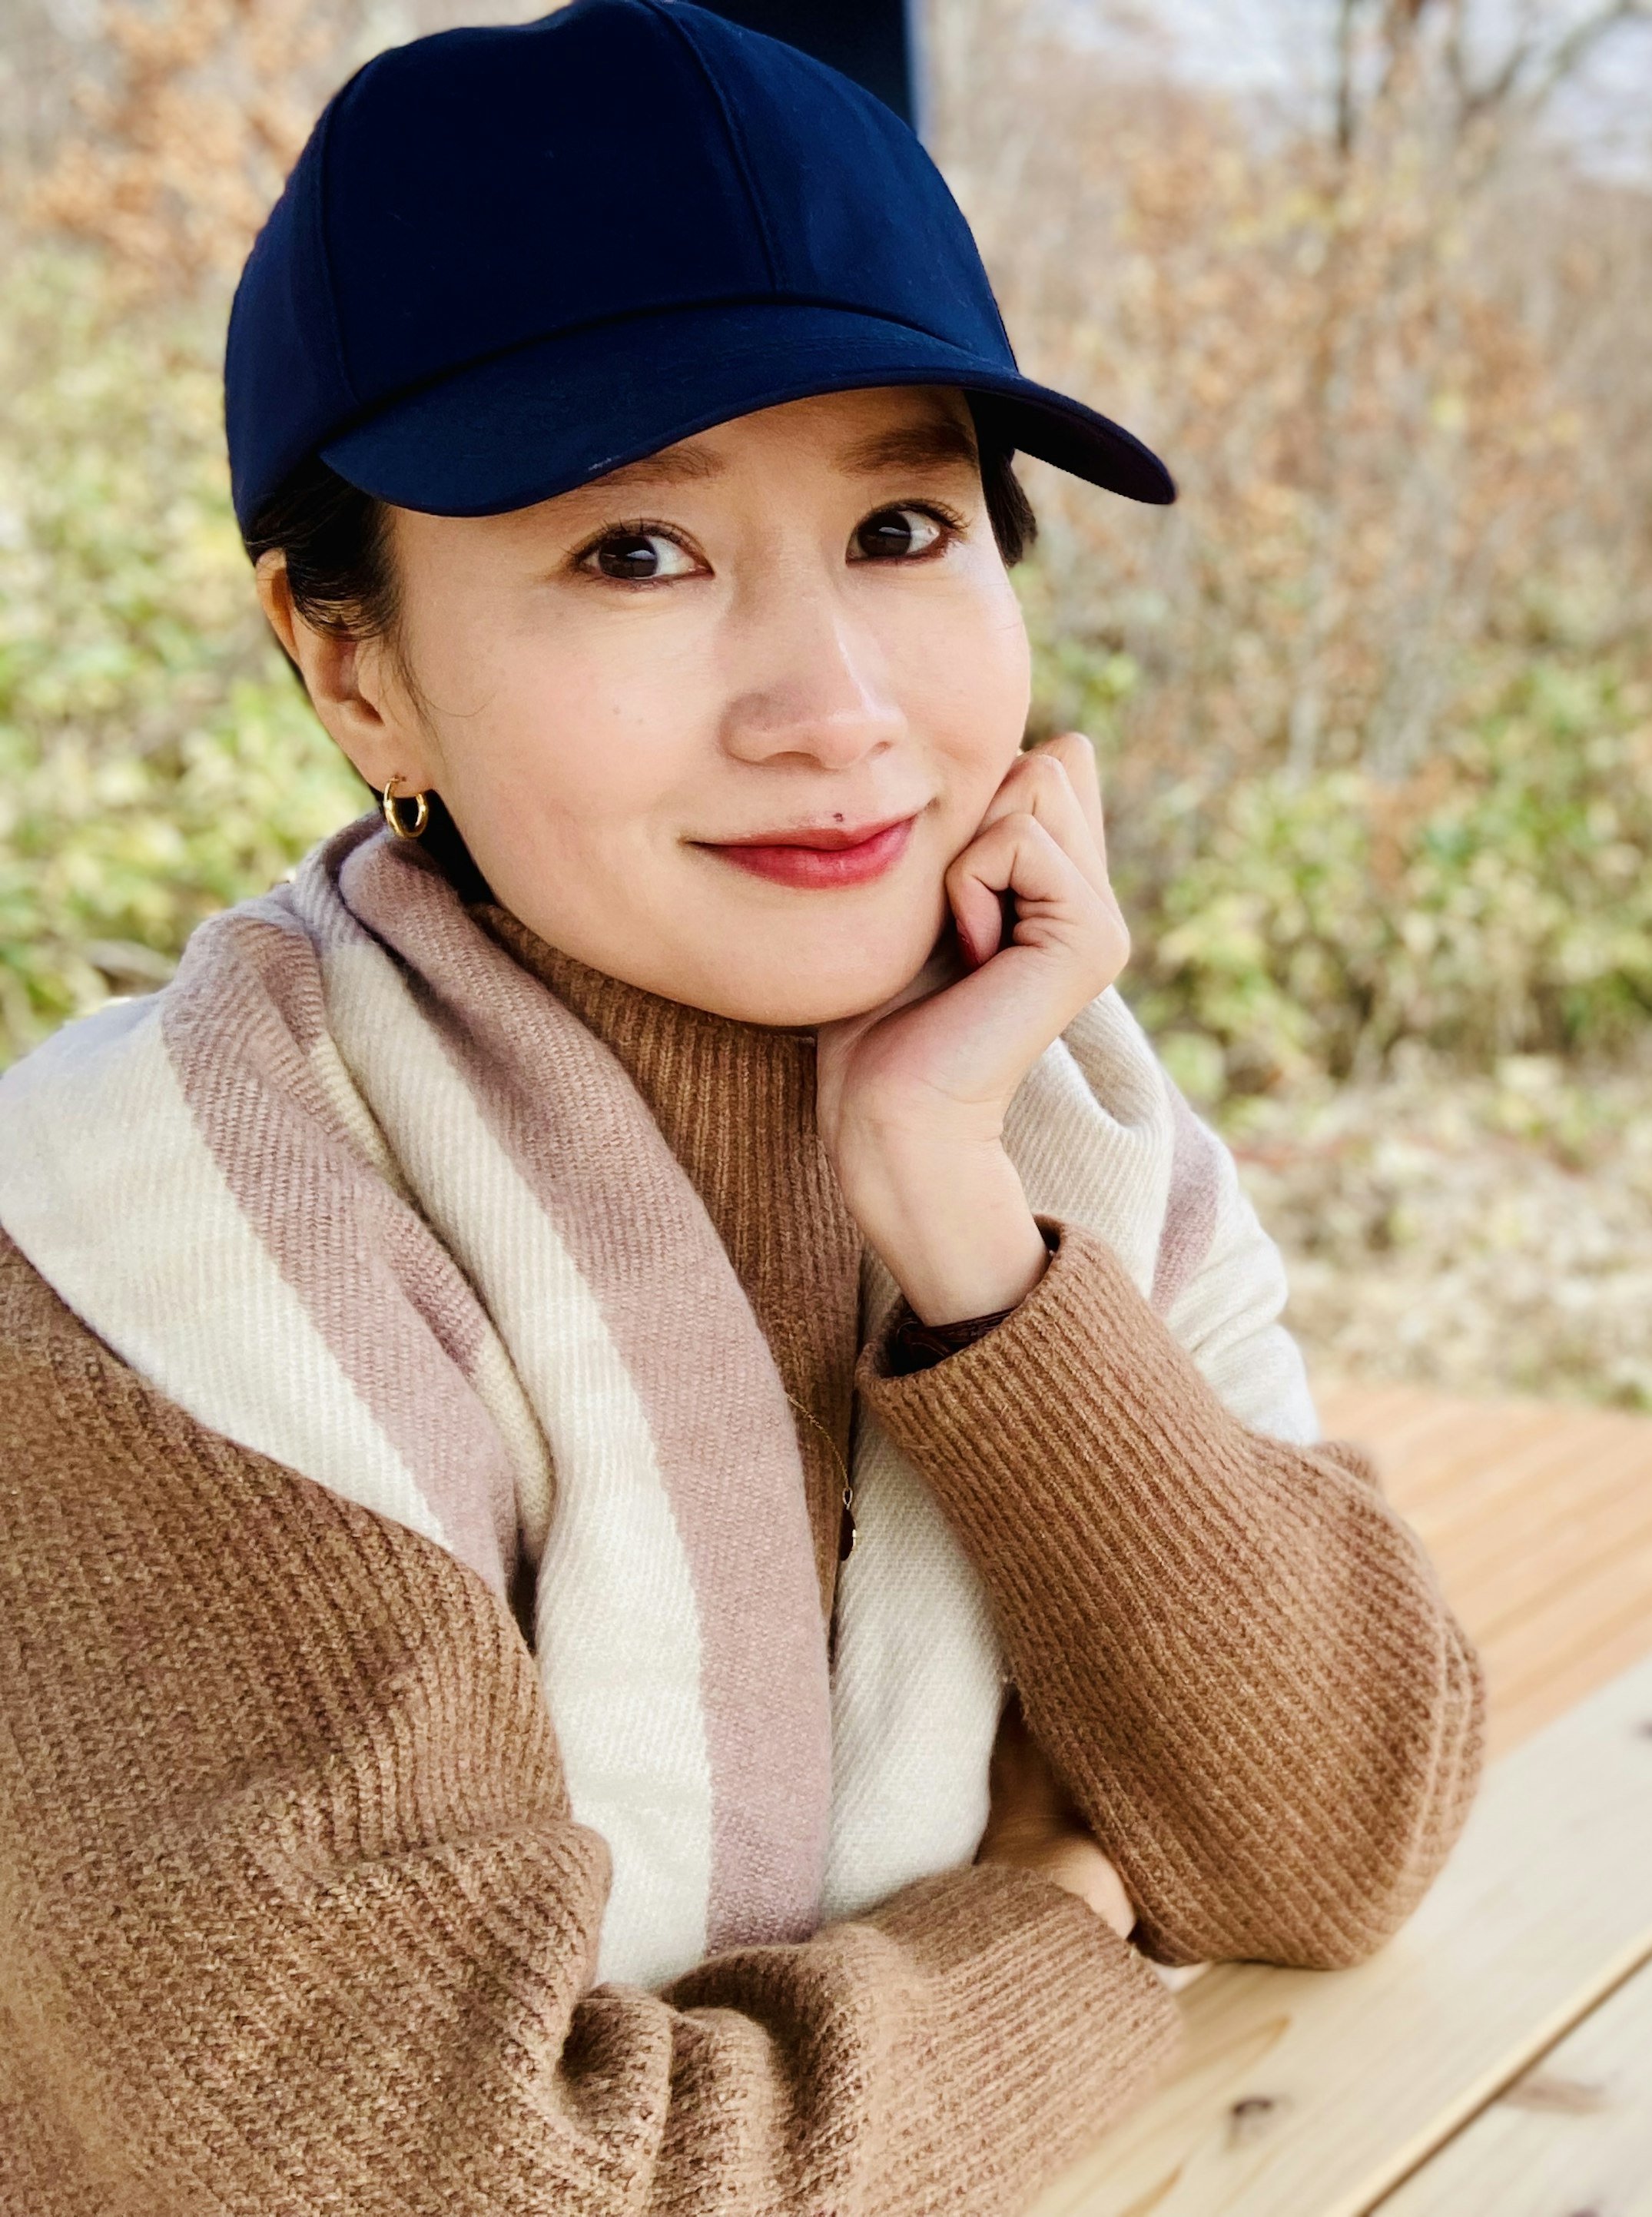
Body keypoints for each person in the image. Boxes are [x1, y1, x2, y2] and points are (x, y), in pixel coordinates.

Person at [0, 5, 1484, 2211]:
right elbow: (445, 2181)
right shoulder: (159, 1244)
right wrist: (1065, 1933)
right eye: (636, 553)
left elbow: (1334, 1837)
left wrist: (958, 1226)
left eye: (904, 523)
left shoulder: (1062, 1120)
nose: (840, 712)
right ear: (350, 661)